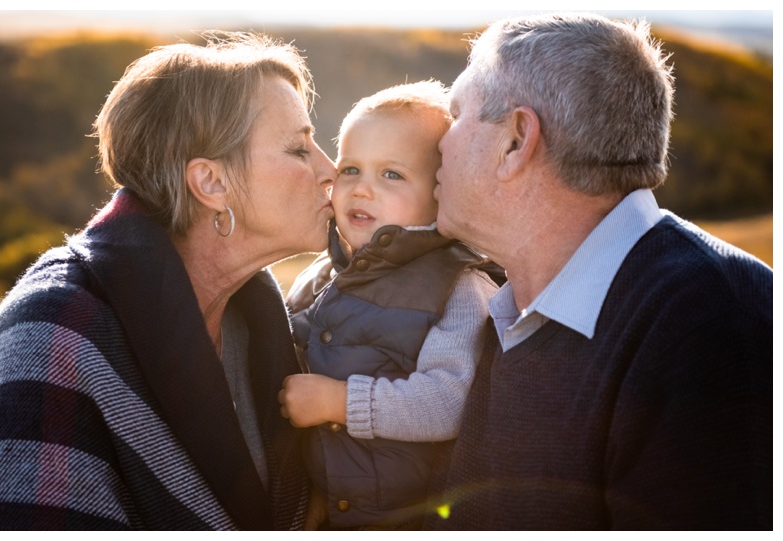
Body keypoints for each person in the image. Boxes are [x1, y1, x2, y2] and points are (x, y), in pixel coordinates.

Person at [427, 13, 772, 530]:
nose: (438, 142)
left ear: (517, 140)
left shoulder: (713, 325)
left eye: (456, 115)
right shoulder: (511, 308)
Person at [0, 32, 336, 530]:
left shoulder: (261, 323)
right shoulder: (53, 330)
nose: (331, 170)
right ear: (211, 184)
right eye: (299, 149)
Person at [277, 81, 498, 529]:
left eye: (391, 175)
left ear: (441, 193)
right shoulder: (319, 276)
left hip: (413, 518)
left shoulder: (455, 286)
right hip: (330, 510)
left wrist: (341, 402)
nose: (361, 189)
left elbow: (450, 402)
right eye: (351, 169)